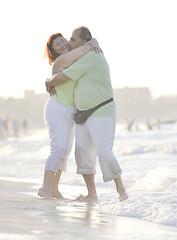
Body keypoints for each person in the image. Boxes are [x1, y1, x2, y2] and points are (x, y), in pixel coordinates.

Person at [46, 27, 128, 202]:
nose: (69, 42)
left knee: (104, 152)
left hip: (100, 110)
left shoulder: (90, 56)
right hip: (82, 114)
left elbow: (62, 78)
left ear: (84, 43)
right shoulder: (79, 56)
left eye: (72, 39)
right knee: (82, 154)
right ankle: (92, 195)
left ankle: (121, 190)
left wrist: (48, 82)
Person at [38, 32, 102, 199]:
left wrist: (92, 41)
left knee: (64, 151)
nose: (62, 44)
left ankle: (53, 189)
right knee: (58, 150)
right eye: (57, 45)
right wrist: (91, 42)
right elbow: (83, 49)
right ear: (54, 53)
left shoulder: (74, 58)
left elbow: (81, 51)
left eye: (63, 41)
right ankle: (44, 188)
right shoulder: (61, 61)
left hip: (69, 111)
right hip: (58, 108)